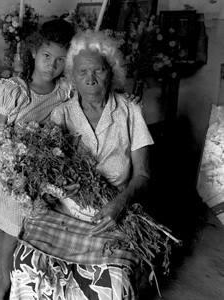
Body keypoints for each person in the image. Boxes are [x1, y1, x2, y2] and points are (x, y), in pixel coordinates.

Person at [9, 31, 154, 299]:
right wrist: (57, 186)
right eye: (82, 71)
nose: (90, 78)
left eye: (98, 70)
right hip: (66, 211)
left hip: (114, 213)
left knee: (114, 284)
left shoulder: (130, 111)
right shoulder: (62, 113)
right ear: (72, 76)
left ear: (112, 72)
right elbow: (48, 168)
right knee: (26, 265)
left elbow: (143, 174)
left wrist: (119, 205)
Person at [0, 19, 75, 299]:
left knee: (40, 232)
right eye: (47, 56)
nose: (52, 65)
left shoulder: (64, 91)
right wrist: (7, 164)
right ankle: (5, 282)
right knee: (14, 232)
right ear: (34, 52)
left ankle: (34, 284)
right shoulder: (15, 90)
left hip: (47, 173)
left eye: (60, 60)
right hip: (17, 176)